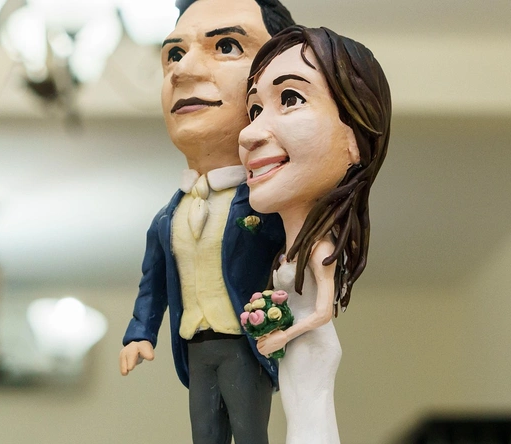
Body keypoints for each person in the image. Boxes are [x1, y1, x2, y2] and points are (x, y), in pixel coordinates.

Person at [119, 1, 294, 443]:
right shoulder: (168, 217)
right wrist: (140, 333)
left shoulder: (268, 206)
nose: (182, 70)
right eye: (174, 54)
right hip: (195, 345)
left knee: (249, 431)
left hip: (245, 342)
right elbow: (152, 284)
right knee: (205, 433)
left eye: (227, 45)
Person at [238, 26, 392, 443]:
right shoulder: (288, 247)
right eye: (254, 110)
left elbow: (323, 312)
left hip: (310, 347)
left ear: (354, 140)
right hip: (295, 348)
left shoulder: (320, 246)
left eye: (290, 98)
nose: (247, 133)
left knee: (310, 425)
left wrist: (283, 335)